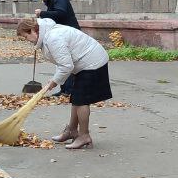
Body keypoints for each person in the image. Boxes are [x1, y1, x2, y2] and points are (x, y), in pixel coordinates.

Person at [15, 16, 112, 150]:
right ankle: (72, 130)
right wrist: (54, 79)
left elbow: (66, 65)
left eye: (26, 36)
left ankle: (84, 136)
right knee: (76, 98)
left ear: (33, 30)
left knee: (82, 100)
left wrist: (54, 82)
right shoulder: (48, 36)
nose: (27, 40)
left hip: (92, 62)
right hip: (83, 62)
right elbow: (61, 60)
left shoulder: (53, 37)